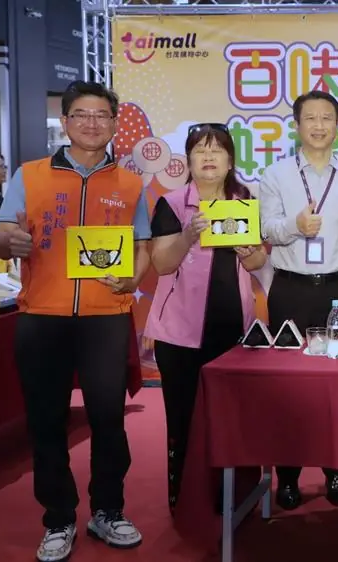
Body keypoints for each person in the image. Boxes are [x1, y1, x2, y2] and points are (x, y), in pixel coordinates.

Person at [0, 80, 151, 562]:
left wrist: (133, 277)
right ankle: (58, 518)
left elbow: (142, 244)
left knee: (108, 420)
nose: (92, 123)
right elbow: (1, 236)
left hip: (106, 318)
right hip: (42, 316)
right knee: (46, 421)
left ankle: (108, 511)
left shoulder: (130, 184)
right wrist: (10, 242)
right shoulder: (30, 175)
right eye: (82, 114)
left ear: (114, 124)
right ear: (65, 122)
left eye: (102, 115)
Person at [144, 123, 267, 515]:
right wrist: (186, 236)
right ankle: (185, 498)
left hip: (233, 329)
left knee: (232, 417)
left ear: (230, 161)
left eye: (217, 150)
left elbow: (258, 261)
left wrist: (249, 252)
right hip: (180, 333)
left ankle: (233, 493)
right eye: (200, 150)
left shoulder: (244, 200)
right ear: (189, 160)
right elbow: (162, 264)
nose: (209, 157)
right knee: (183, 417)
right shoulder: (172, 204)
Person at [258, 91, 338, 511]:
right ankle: (287, 477)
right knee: (288, 386)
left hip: (337, 290)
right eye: (310, 118)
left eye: (326, 118)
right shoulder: (276, 174)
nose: (319, 126)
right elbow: (266, 228)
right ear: (297, 125)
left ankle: (336, 472)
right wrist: (295, 225)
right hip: (289, 289)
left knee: (334, 386)